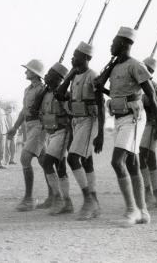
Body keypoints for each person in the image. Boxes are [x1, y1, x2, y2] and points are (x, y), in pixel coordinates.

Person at [95, 27, 157, 225]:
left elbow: (151, 95)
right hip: (119, 118)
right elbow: (118, 94)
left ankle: (132, 209)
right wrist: (102, 87)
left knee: (117, 161)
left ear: (124, 44)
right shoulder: (115, 67)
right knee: (132, 164)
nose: (110, 45)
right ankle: (143, 211)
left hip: (134, 118)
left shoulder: (136, 65)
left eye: (114, 42)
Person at [56, 42, 103, 220]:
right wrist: (70, 74)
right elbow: (60, 94)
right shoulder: (75, 76)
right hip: (76, 121)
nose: (72, 58)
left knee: (74, 158)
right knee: (87, 162)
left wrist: (101, 134)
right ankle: (95, 203)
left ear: (85, 58)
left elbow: (100, 105)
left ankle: (88, 200)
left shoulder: (93, 75)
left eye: (75, 55)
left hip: (90, 121)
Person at [6, 59, 48, 211]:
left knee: (24, 158)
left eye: (28, 70)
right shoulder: (28, 90)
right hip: (29, 126)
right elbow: (24, 111)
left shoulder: (42, 90)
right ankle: (53, 196)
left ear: (35, 74)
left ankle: (29, 199)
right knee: (44, 162)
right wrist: (15, 127)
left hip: (39, 125)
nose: (25, 72)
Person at [37, 62, 74, 215]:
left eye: (50, 73)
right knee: (60, 167)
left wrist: (71, 137)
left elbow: (71, 115)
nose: (46, 75)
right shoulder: (45, 93)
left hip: (62, 132)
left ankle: (58, 198)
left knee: (47, 163)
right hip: (50, 134)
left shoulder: (64, 94)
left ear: (58, 78)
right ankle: (67, 202)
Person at [138, 57, 157, 208]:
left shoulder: (153, 87)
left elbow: (156, 107)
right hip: (138, 125)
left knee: (143, 155)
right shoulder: (135, 85)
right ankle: (154, 193)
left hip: (150, 124)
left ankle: (150, 191)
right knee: (149, 158)